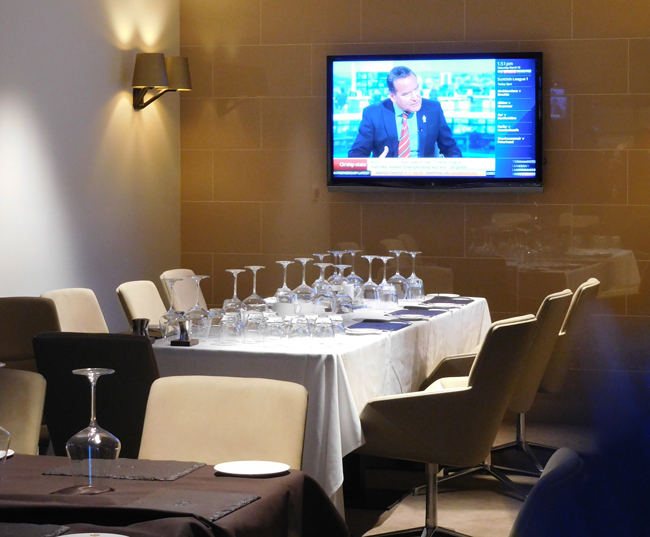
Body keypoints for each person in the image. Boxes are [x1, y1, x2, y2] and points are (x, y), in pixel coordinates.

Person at [348, 66, 462, 158]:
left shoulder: (433, 109)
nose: (415, 97)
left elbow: (450, 148)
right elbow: (357, 154)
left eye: (416, 89)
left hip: (425, 180)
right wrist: (376, 167)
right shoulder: (373, 114)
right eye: (406, 94)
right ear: (392, 96)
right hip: (387, 181)